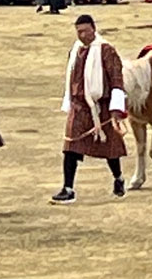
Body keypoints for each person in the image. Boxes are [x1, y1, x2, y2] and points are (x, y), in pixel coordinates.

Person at [54, 13, 127, 202]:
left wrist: (115, 111)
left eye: (85, 31)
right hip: (79, 106)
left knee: (109, 149)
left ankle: (118, 178)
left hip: (101, 106)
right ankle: (68, 189)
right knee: (70, 147)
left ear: (94, 29)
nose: (82, 35)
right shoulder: (75, 50)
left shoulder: (106, 51)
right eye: (78, 32)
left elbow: (117, 80)